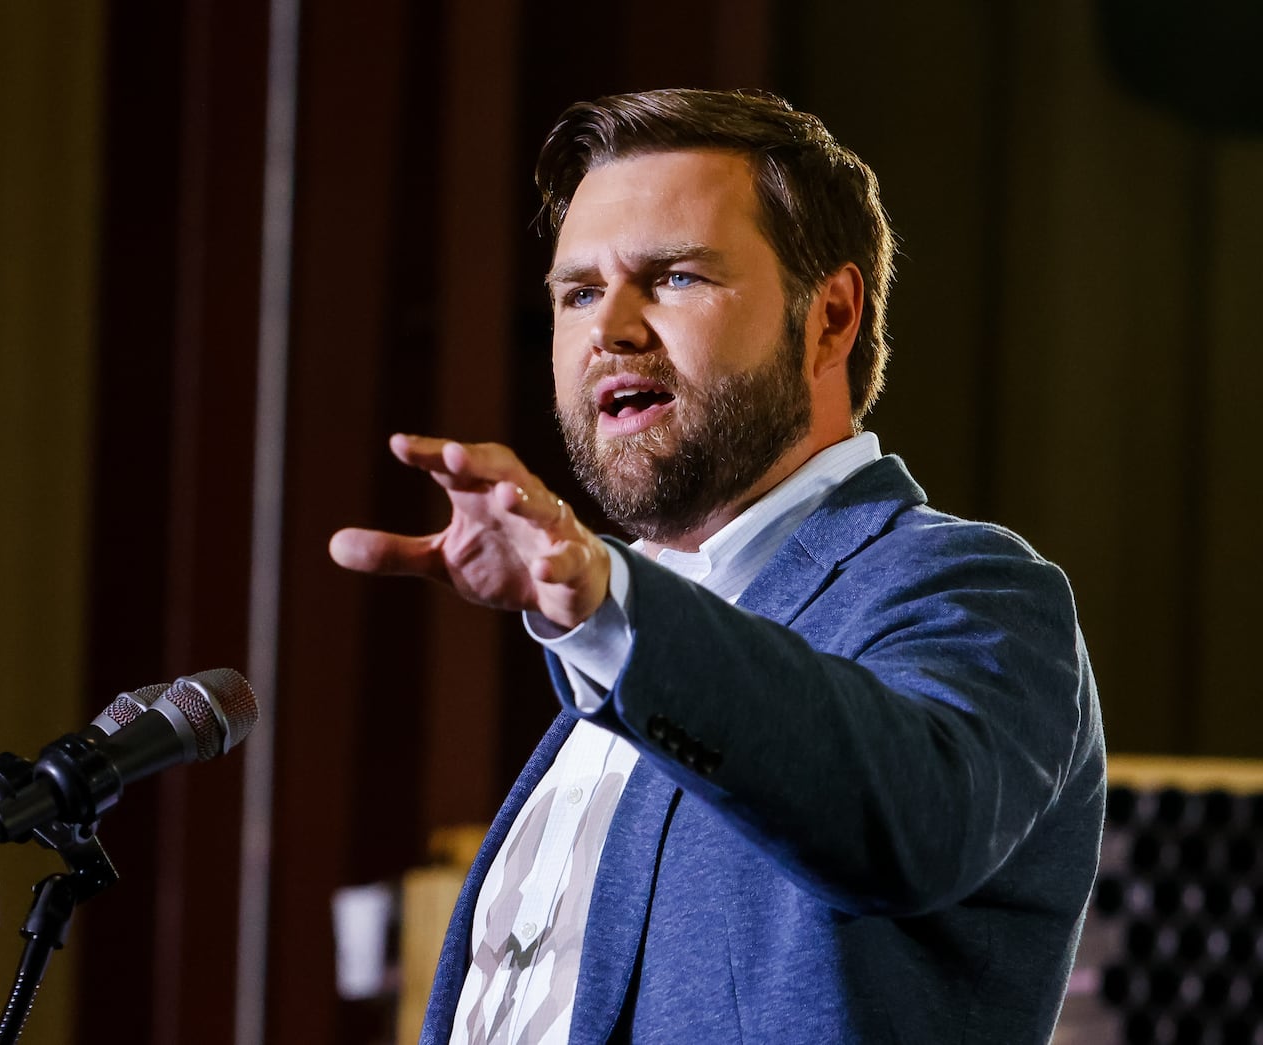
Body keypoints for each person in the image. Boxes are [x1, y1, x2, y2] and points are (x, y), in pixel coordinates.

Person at [329, 88, 1105, 1044]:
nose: (609, 327)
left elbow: (908, 820)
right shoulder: (609, 651)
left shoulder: (968, 590)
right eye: (578, 292)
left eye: (676, 278)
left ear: (830, 316)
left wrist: (610, 608)